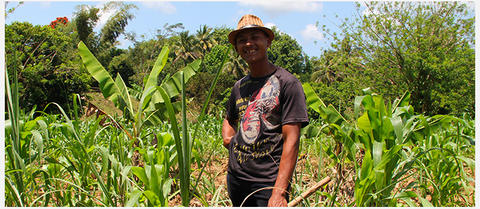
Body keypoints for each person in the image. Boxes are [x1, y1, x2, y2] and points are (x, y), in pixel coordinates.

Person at [222, 14, 309, 207]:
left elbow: (292, 140)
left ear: (268, 42)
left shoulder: (288, 83)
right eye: (242, 40)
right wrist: (229, 139)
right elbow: (229, 118)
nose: (248, 44)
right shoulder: (239, 87)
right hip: (236, 180)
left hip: (267, 183)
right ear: (236, 48)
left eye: (255, 37)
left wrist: (279, 192)